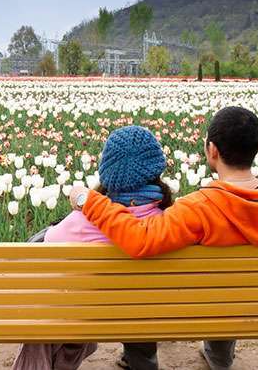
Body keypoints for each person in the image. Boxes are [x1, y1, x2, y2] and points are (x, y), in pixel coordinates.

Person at [68, 106, 258, 370]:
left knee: (221, 291)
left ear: (211, 150)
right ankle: (219, 356)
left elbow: (139, 240)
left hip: (208, 307)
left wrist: (89, 200)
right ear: (256, 148)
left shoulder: (200, 207)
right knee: (231, 291)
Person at [13, 125, 171, 370]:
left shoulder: (81, 222)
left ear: (107, 172)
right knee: (141, 298)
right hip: (145, 314)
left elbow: (40, 254)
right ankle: (142, 361)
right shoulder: (169, 222)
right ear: (156, 170)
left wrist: (82, 199)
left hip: (88, 315)